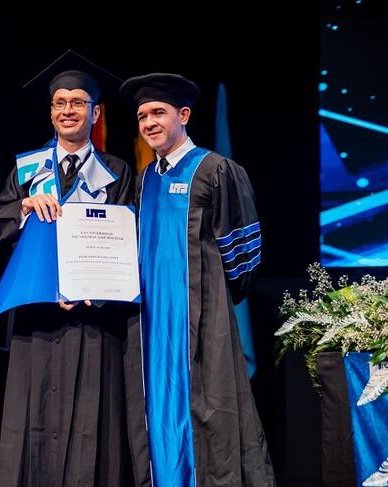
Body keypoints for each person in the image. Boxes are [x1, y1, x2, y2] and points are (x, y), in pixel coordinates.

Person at [0, 50, 147, 487]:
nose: (67, 110)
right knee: (32, 416)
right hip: (36, 315)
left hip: (94, 317)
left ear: (95, 113)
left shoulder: (116, 171)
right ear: (50, 111)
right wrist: (24, 207)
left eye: (78, 102)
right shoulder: (27, 169)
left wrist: (96, 289)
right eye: (60, 103)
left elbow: (127, 240)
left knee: (92, 420)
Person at [120, 73, 275, 486]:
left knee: (210, 412)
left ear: (183, 115)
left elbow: (243, 258)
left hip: (201, 319)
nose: (149, 122)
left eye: (158, 112)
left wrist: (213, 304)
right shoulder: (145, 179)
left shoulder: (214, 170)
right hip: (152, 323)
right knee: (156, 407)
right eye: (142, 116)